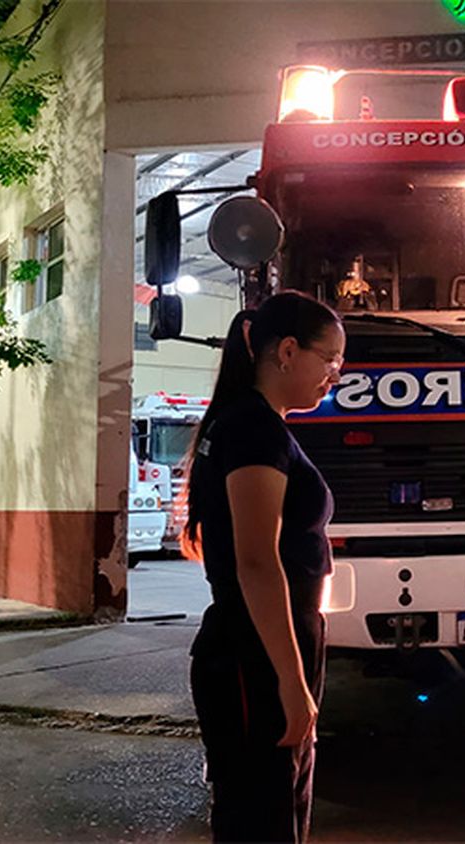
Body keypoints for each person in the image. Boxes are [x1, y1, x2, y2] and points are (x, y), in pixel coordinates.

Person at [182, 291, 345, 842]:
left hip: (265, 649)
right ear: (288, 351)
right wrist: (291, 683)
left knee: (270, 811)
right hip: (254, 657)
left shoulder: (255, 424)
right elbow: (255, 561)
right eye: (330, 360)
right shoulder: (254, 429)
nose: (335, 374)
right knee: (262, 819)